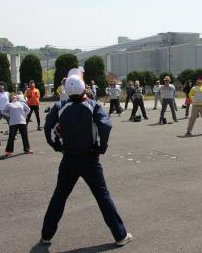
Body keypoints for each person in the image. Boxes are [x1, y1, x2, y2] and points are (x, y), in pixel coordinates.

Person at [41, 74, 133, 247]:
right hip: (90, 158)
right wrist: (100, 147)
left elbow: (48, 128)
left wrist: (57, 146)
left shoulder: (60, 106)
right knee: (102, 196)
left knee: (59, 196)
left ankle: (46, 235)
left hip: (69, 158)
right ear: (84, 88)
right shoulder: (93, 105)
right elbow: (105, 125)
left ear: (67, 90)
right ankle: (120, 235)